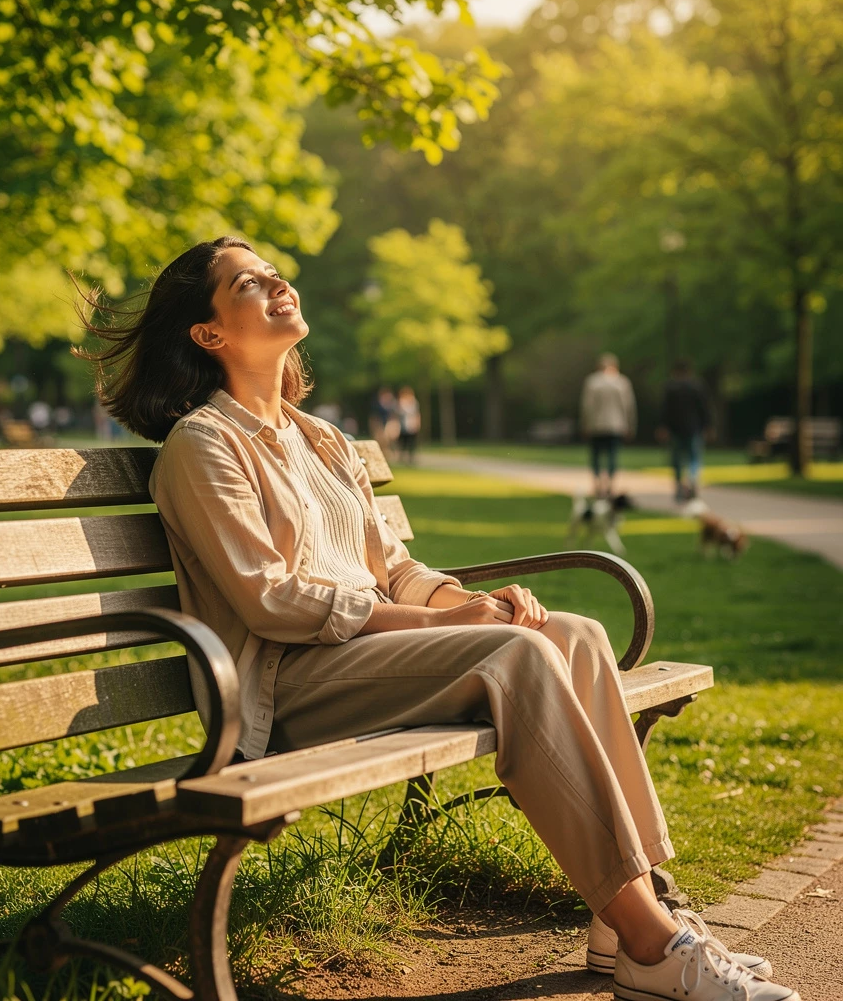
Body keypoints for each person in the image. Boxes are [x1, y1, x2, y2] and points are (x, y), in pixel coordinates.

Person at [77, 236, 796, 1001]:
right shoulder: (203, 446)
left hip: (370, 662)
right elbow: (272, 601)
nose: (278, 283)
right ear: (210, 332)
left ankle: (630, 919)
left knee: (574, 635)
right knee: (513, 658)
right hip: (285, 683)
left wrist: (471, 604)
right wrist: (452, 630)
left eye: (275, 272)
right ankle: (657, 948)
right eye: (250, 282)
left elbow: (397, 571)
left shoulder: (322, 440)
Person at [580, 353, 637, 498]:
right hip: (616, 425)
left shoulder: (592, 382)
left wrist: (585, 423)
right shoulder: (622, 382)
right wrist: (630, 424)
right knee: (612, 455)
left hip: (596, 425)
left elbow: (587, 406)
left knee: (596, 456)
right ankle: (610, 484)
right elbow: (628, 406)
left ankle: (598, 483)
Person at [659, 359, 712, 503]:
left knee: (677, 461)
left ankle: (679, 488)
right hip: (693, 428)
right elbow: (704, 409)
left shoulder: (670, 388)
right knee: (693, 458)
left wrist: (663, 427)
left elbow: (665, 410)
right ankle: (692, 481)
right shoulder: (697, 387)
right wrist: (707, 426)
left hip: (675, 429)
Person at [368, 386, 398, 461]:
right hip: (379, 426)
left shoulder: (392, 406)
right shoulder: (377, 405)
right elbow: (374, 417)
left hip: (389, 426)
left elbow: (394, 417)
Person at [395, 385, 421, 465]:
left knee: (411, 443)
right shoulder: (400, 403)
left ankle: (410, 458)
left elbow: (416, 414)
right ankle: (402, 458)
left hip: (411, 425)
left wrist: (417, 424)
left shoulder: (414, 403)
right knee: (403, 443)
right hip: (403, 426)